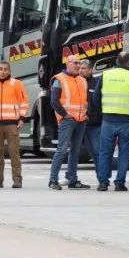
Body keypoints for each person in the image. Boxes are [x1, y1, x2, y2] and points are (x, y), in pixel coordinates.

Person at [94, 52, 129, 191]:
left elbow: (95, 97)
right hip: (126, 121)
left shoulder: (105, 75)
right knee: (124, 152)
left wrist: (103, 112)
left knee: (105, 152)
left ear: (116, 61)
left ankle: (103, 182)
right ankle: (120, 183)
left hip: (108, 120)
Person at [0, 60, 29, 189]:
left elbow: (24, 101)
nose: (3, 72)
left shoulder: (17, 84)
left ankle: (17, 179)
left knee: (14, 152)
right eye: (0, 69)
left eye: (5, 69)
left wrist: (22, 118)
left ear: (9, 71)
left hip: (12, 123)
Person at [49, 55, 90, 190]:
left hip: (80, 120)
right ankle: (53, 180)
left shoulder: (82, 80)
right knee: (62, 149)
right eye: (75, 63)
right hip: (67, 120)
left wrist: (86, 114)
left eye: (79, 63)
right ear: (67, 64)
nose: (78, 65)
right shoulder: (59, 79)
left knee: (75, 151)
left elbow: (86, 100)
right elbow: (54, 101)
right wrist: (65, 115)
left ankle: (72, 179)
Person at [80, 59, 102, 182]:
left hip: (94, 124)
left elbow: (99, 103)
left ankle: (102, 177)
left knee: (96, 152)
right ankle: (70, 177)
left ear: (91, 70)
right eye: (80, 68)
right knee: (75, 151)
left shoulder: (97, 83)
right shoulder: (76, 83)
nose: (81, 71)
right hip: (78, 122)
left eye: (84, 68)